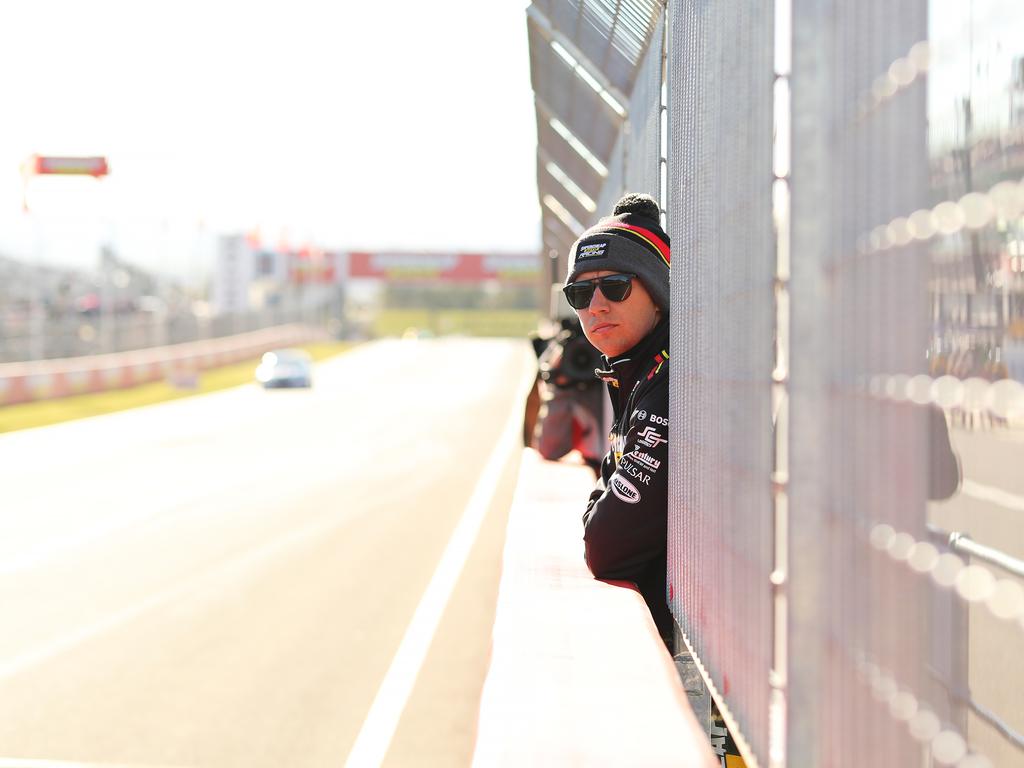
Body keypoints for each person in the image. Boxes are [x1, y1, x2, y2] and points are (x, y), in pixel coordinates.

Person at [562, 192, 673, 643]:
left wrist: (599, 511)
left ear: (657, 291)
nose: (596, 306)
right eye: (580, 293)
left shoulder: (673, 381)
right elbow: (608, 486)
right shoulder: (636, 373)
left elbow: (606, 545)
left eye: (616, 286)